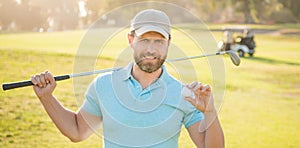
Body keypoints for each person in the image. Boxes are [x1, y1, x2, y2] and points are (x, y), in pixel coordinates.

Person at [31, 9, 224, 147]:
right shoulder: (104, 85)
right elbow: (76, 131)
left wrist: (210, 111)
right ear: (131, 40)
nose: (151, 49)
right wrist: (46, 98)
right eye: (144, 40)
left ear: (168, 43)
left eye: (158, 41)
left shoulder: (185, 94)